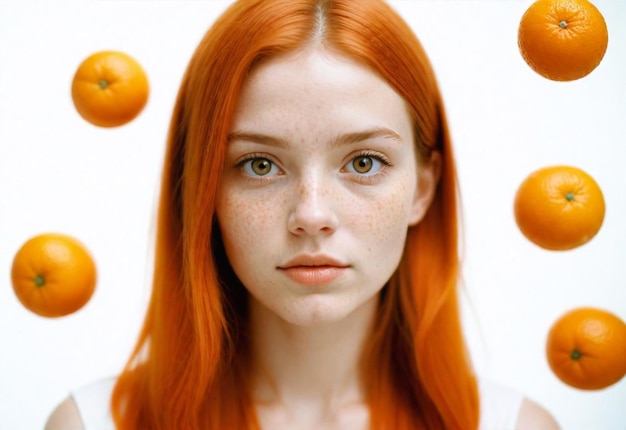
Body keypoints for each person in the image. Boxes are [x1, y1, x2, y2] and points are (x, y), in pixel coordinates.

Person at [46, 0, 560, 429]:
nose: (312, 215)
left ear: (423, 189)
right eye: (259, 164)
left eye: (363, 162)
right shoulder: (91, 423)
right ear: (204, 190)